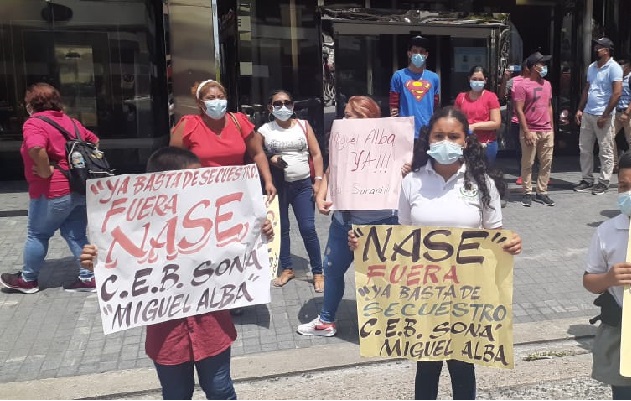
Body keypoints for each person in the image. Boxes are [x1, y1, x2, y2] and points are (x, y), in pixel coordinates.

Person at [349, 107, 522, 400]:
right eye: (439, 135)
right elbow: (400, 237)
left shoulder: (484, 184)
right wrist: (365, 245)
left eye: (453, 136)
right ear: (428, 139)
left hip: (467, 295)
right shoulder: (412, 182)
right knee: (426, 367)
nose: (446, 142)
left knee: (463, 367)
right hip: (424, 295)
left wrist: (511, 242)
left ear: (466, 141)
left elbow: (494, 235)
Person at [80, 147, 274, 400]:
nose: (199, 188)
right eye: (191, 183)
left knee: (221, 390)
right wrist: (94, 261)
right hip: (167, 337)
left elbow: (242, 245)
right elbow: (117, 262)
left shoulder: (211, 217)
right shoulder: (135, 228)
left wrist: (260, 232)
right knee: (175, 395)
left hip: (212, 329)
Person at [296, 96, 400, 336]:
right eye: (343, 114)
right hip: (343, 223)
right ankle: (326, 320)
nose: (343, 120)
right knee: (332, 270)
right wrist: (322, 196)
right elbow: (331, 170)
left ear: (366, 118)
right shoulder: (342, 141)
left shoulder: (390, 144)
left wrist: (403, 169)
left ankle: (384, 324)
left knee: (380, 276)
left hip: (380, 224)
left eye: (349, 115)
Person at [0, 83, 99, 294]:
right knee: (76, 235)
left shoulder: (34, 123)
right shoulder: (70, 122)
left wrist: (45, 171)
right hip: (79, 188)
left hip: (51, 191)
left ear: (31, 104)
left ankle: (28, 280)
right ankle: (89, 277)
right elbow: (94, 141)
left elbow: (36, 148)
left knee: (37, 234)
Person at [259, 90, 325, 291]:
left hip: (303, 185)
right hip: (278, 187)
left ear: (293, 105)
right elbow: (257, 155)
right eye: (277, 104)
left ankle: (318, 272)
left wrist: (318, 181)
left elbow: (317, 154)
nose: (283, 107)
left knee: (308, 228)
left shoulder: (303, 126)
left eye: (287, 102)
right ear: (270, 108)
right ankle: (287, 268)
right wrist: (272, 159)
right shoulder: (264, 130)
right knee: (282, 229)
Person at [169, 79, 275, 198]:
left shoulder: (239, 121)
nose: (217, 101)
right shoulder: (188, 124)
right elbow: (173, 160)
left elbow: (257, 153)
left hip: (237, 191)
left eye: (221, 97)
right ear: (200, 103)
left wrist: (268, 181)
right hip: (200, 193)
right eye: (211, 98)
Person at [583, 150, 631, 400]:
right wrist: (610, 279)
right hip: (623, 333)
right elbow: (590, 281)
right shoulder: (607, 231)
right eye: (623, 186)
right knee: (623, 393)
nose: (628, 193)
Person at [574, 37, 624, 195]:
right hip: (588, 112)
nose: (596, 49)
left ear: (607, 50)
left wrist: (605, 114)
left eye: (599, 47)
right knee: (585, 148)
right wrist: (580, 109)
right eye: (596, 46)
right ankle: (587, 179)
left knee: (605, 149)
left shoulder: (614, 68)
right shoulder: (592, 67)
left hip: (603, 115)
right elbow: (587, 89)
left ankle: (604, 181)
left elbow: (617, 93)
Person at [515, 51, 555, 207]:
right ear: (533, 67)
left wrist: (551, 128)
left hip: (546, 129)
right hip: (530, 129)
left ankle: (542, 192)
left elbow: (549, 106)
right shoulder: (521, 85)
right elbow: (519, 109)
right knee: (527, 163)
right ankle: (527, 192)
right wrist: (526, 131)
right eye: (542, 64)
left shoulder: (547, 84)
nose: (544, 67)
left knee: (546, 162)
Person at [390, 35, 440, 139]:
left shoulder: (434, 78)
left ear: (426, 55)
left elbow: (435, 105)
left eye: (422, 52)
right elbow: (393, 104)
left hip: (427, 131)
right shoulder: (399, 76)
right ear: (409, 54)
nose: (418, 54)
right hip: (405, 131)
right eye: (415, 51)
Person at [454, 65, 501, 166]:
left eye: (480, 79)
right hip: (465, 144)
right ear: (469, 79)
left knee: (485, 175)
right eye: (474, 79)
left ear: (485, 80)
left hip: (486, 144)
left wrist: (474, 126)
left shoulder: (491, 97)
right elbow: (455, 119)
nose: (477, 81)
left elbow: (496, 123)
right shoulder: (461, 97)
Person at [500, 61, 530, 185]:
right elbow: (502, 96)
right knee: (520, 148)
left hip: (535, 121)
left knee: (537, 148)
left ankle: (539, 174)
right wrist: (505, 79)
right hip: (517, 120)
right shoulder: (514, 81)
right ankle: (522, 174)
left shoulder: (540, 81)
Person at [613, 59, 631, 171]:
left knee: (630, 139)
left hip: (627, 113)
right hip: (616, 112)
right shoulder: (617, 79)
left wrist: (627, 112)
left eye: (623, 66)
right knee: (609, 138)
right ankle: (615, 164)